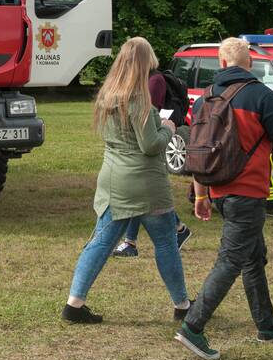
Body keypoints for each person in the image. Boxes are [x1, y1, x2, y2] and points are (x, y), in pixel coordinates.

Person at [175, 37, 273, 360]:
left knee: (253, 256)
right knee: (230, 260)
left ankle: (267, 325)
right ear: (250, 64)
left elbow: (197, 152)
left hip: (218, 191)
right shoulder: (261, 97)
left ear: (221, 63)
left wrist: (201, 195)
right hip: (247, 193)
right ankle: (193, 326)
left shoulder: (203, 100)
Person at [61, 37, 191, 324]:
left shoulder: (108, 95)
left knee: (99, 243)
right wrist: (169, 128)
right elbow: (151, 145)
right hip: (145, 184)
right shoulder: (139, 99)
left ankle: (74, 303)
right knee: (166, 243)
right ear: (145, 63)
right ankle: (182, 305)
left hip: (112, 181)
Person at [112, 69, 191, 257]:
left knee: (140, 194)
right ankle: (179, 229)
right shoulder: (142, 79)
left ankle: (130, 243)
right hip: (144, 141)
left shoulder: (154, 81)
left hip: (151, 141)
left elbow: (148, 117)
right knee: (149, 195)